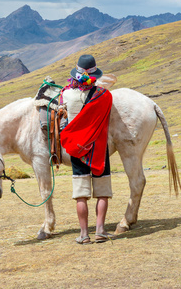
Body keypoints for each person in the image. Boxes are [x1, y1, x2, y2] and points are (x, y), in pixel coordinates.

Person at [59, 54, 114, 244]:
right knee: (102, 191)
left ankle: (83, 235)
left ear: (76, 74)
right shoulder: (104, 96)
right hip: (99, 148)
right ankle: (100, 231)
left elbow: (62, 120)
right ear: (94, 74)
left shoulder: (65, 94)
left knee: (81, 194)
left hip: (76, 149)